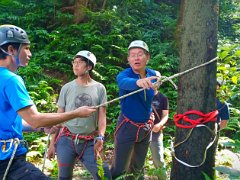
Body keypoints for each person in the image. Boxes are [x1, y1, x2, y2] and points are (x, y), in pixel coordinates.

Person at [0, 24, 96, 180]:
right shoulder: (11, 80)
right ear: (11, 50)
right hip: (9, 163)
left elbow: (9, 123)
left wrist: (38, 128)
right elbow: (35, 119)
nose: (29, 53)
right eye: (26, 48)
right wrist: (77, 113)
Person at [47, 50, 111, 180]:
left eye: (80, 63)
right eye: (74, 62)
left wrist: (101, 138)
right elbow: (60, 115)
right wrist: (52, 143)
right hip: (66, 139)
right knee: (64, 177)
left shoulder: (99, 88)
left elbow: (102, 116)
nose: (75, 66)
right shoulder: (67, 88)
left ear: (89, 66)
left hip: (88, 141)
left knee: (104, 175)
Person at [110, 40, 160, 179]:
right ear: (128, 59)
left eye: (140, 54)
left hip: (146, 127)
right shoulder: (124, 75)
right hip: (127, 125)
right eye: (132, 55)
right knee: (119, 167)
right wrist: (138, 82)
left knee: (138, 166)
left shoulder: (153, 75)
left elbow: (154, 90)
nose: (136, 58)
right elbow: (124, 82)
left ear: (147, 57)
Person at [150, 89, 169, 180]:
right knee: (137, 158)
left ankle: (162, 178)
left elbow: (165, 115)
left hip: (155, 131)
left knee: (158, 158)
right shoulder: (141, 94)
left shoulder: (162, 97)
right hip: (141, 130)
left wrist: (160, 124)